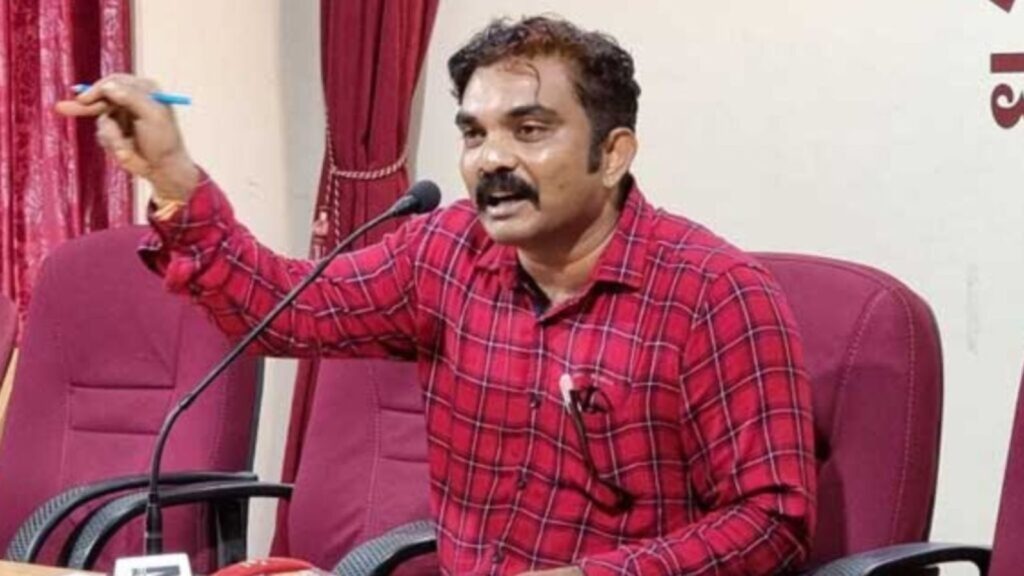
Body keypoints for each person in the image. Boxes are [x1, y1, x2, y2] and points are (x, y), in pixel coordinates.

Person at [57, 15, 816, 576]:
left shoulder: (714, 294)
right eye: (474, 134)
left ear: (612, 153)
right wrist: (171, 175)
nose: (492, 160)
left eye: (529, 130)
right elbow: (282, 313)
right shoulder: (446, 252)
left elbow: (771, 520)